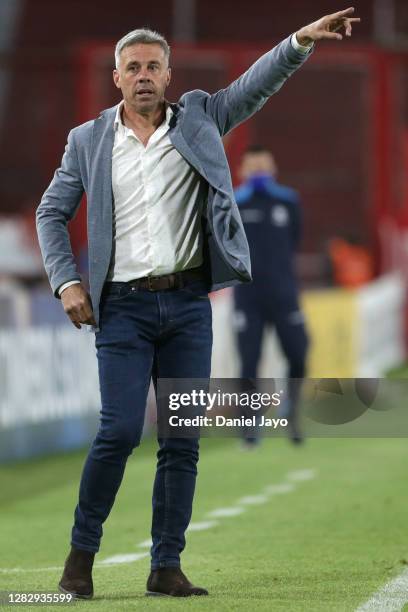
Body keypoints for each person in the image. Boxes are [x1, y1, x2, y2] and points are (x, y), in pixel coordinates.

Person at [36, 8, 360, 599]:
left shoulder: (201, 117)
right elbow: (50, 213)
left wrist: (298, 41)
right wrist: (66, 281)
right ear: (116, 78)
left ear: (168, 73)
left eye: (153, 66)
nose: (143, 76)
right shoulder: (87, 141)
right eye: (131, 67)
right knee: (119, 430)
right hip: (121, 310)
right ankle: (80, 558)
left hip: (187, 304)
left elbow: (253, 86)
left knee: (182, 439)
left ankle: (166, 566)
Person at [233, 147, 309, 445]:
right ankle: (250, 425)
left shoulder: (287, 202)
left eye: (264, 165)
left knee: (299, 354)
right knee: (249, 361)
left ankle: (292, 412)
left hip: (283, 293)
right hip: (248, 297)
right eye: (253, 167)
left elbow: (294, 239)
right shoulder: (234, 202)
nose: (259, 171)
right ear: (242, 171)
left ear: (274, 167)